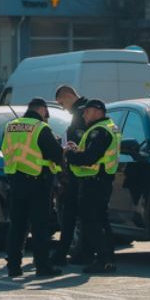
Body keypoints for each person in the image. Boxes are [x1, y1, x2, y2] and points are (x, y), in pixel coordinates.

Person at [1, 97, 64, 278]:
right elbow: (55, 153)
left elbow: (5, 149)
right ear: (42, 110)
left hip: (15, 181)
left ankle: (13, 266)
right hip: (38, 182)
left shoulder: (10, 126)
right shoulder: (41, 128)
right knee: (40, 227)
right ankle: (42, 266)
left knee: (17, 226)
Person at [64, 99, 120, 274]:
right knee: (101, 222)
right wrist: (77, 150)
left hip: (94, 182)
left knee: (92, 222)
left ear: (97, 112)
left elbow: (90, 158)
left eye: (86, 111)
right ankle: (107, 259)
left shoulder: (99, 131)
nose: (84, 115)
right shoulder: (108, 127)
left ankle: (104, 259)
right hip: (101, 181)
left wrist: (70, 155)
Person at [50, 84, 89, 268]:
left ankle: (70, 253)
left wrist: (65, 149)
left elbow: (76, 141)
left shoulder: (81, 112)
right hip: (82, 173)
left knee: (72, 216)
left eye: (61, 103)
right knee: (74, 216)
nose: (62, 108)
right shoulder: (83, 110)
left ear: (67, 96)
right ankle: (68, 253)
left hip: (80, 174)